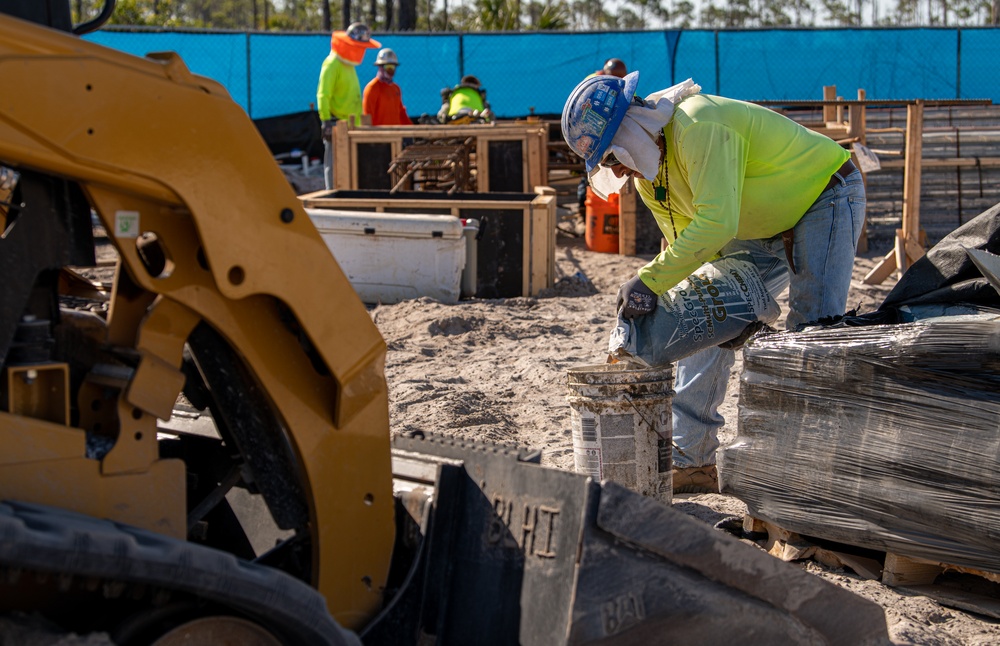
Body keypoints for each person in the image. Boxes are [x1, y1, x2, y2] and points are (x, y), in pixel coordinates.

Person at [561, 71, 866, 494]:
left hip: (822, 196)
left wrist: (648, 280)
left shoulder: (698, 126)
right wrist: (722, 308)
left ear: (632, 132)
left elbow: (716, 223)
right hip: (756, 224)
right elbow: (687, 245)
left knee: (811, 329)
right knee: (697, 321)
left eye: (614, 158)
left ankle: (808, 467)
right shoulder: (651, 173)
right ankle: (691, 459)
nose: (618, 171)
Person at [316, 22, 380, 190]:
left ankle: (349, 196)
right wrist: (326, 121)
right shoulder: (332, 64)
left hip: (352, 123)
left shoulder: (348, 65)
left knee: (351, 165)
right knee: (334, 164)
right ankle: (332, 197)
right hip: (337, 124)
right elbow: (323, 94)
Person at [577, 59, 629, 212]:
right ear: (605, 73)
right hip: (590, 132)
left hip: (611, 133)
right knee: (591, 170)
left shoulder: (624, 86)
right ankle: (583, 204)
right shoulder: (592, 83)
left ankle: (612, 205)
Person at [362, 48, 412, 126]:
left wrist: (413, 131)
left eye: (393, 67)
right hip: (380, 136)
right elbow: (367, 116)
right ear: (380, 67)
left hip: (396, 135)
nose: (391, 70)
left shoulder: (396, 88)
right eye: (388, 67)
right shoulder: (372, 88)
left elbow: (401, 113)